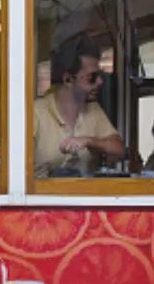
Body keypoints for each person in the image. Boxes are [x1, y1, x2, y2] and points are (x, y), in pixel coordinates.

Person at [32, 32, 126, 177]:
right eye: (92, 77)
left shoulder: (93, 110)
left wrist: (88, 140)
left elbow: (119, 149)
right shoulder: (34, 113)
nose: (100, 82)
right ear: (68, 80)